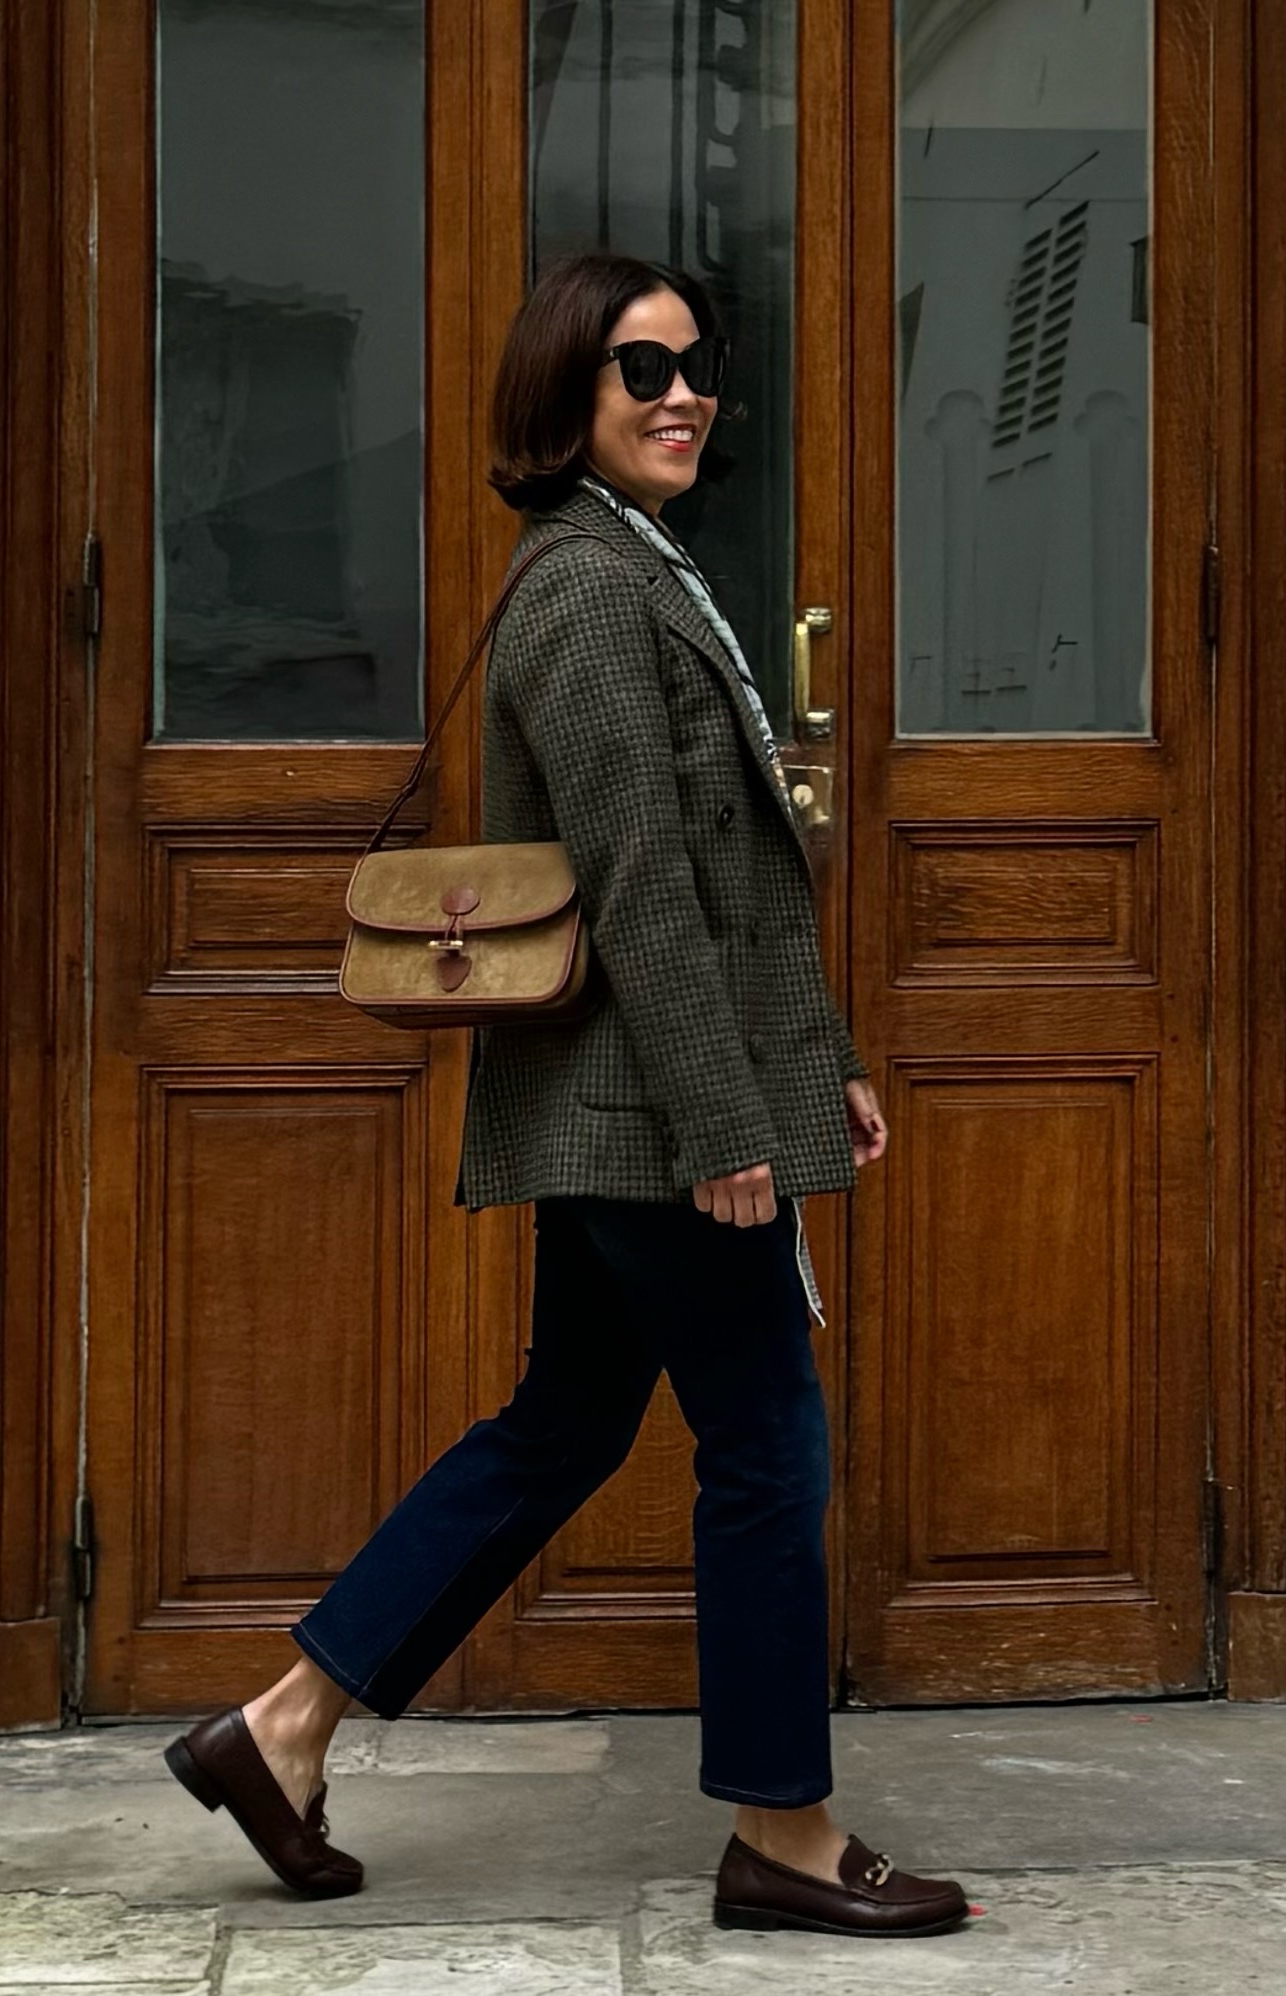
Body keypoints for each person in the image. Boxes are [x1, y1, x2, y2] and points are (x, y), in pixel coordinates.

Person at [163, 250, 969, 1941]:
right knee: (763, 1448)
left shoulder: (632, 565)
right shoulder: (589, 591)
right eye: (640, 367)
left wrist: (816, 1063)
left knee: (566, 1419)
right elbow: (641, 883)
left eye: (696, 363)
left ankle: (283, 1728)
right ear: (566, 397)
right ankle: (783, 1829)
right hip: (646, 1118)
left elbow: (734, 878)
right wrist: (727, 1127)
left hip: (632, 1106)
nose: (684, 393)